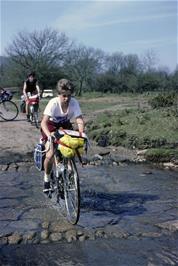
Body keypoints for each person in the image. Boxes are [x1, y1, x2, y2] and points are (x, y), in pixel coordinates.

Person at [41, 78, 85, 193]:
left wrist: (81, 134)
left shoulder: (74, 102)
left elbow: (79, 119)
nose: (67, 99)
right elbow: (43, 122)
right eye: (64, 96)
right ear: (59, 94)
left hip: (65, 125)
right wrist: (49, 136)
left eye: (69, 96)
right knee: (50, 153)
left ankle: (69, 172)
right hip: (50, 126)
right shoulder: (53, 103)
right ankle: (46, 178)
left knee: (71, 148)